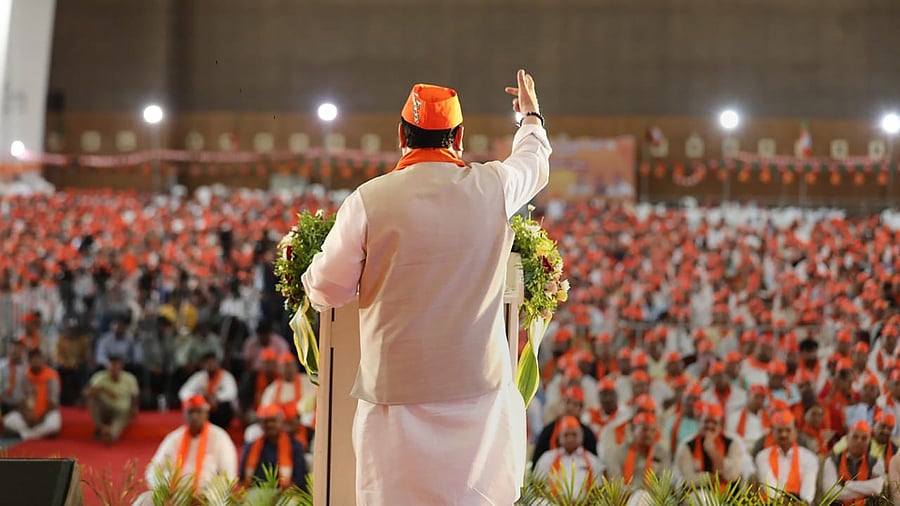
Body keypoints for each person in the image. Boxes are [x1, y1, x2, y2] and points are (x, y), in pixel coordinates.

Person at [301, 70, 550, 504]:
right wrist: (530, 114)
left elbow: (326, 290)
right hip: (477, 397)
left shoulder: (368, 199)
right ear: (459, 136)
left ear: (401, 134)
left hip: (394, 403)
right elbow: (534, 163)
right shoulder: (493, 186)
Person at [140, 395, 237, 502]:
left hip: (207, 496)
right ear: (184, 414)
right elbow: (154, 468)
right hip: (174, 494)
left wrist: (209, 496)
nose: (194, 416)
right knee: (143, 500)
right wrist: (162, 490)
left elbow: (228, 474)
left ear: (206, 414)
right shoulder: (174, 438)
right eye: (190, 412)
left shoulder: (220, 437)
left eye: (198, 412)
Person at [674, 403, 745, 489]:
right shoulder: (687, 445)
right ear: (699, 422)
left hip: (726, 495)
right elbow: (687, 479)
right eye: (706, 421)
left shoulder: (732, 443)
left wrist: (711, 449)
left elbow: (733, 475)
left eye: (714, 422)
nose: (710, 426)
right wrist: (709, 478)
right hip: (696, 495)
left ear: (720, 425)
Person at [755, 410, 818, 505]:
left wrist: (803, 502)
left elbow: (808, 488)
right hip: (773, 503)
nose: (783, 434)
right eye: (779, 430)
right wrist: (782, 502)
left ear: (796, 432)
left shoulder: (809, 457)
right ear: (772, 432)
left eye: (788, 430)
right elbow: (768, 485)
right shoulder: (762, 456)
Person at [239, 404, 307, 490]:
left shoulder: (295, 446)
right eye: (266, 421)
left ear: (281, 421)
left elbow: (300, 480)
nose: (270, 425)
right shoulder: (251, 446)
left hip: (286, 494)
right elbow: (242, 478)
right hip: (256, 493)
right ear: (260, 424)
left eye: (273, 420)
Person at [821, 421, 885, 504]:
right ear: (847, 438)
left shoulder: (877, 462)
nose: (859, 441)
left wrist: (847, 485)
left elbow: (877, 488)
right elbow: (831, 492)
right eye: (855, 437)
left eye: (864, 438)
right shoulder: (831, 461)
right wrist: (867, 489)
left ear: (869, 441)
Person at [2, 349, 61, 440]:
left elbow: (53, 402)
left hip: (45, 413)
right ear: (28, 361)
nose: (36, 361)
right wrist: (27, 416)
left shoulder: (52, 375)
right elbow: (19, 400)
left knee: (54, 425)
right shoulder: (23, 375)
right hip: (27, 414)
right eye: (33, 359)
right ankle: (37, 433)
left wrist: (40, 419)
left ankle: (26, 435)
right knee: (8, 420)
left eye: (38, 359)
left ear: (43, 360)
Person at [533, 416, 600, 494]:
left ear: (581, 437)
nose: (570, 438)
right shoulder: (547, 458)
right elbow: (537, 487)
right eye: (566, 435)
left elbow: (597, 490)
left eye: (574, 434)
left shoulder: (592, 461)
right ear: (559, 437)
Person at [533, 387, 598, 467]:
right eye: (567, 402)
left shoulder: (588, 434)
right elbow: (536, 463)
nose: (569, 407)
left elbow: (594, 464)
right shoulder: (547, 431)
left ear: (581, 409)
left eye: (575, 404)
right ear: (560, 404)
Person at [84, 354, 138, 445]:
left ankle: (109, 434)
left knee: (114, 433)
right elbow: (86, 393)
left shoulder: (129, 378)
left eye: (116, 366)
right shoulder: (99, 377)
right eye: (112, 365)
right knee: (92, 399)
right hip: (105, 409)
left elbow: (135, 396)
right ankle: (100, 428)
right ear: (107, 366)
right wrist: (103, 389)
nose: (114, 369)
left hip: (122, 411)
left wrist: (134, 408)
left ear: (121, 366)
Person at [178, 352, 238, 429]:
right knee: (191, 405)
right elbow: (183, 392)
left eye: (213, 362)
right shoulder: (199, 376)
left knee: (225, 404)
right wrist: (200, 398)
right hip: (204, 406)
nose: (211, 365)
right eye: (208, 363)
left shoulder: (226, 376)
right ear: (203, 365)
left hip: (219, 408)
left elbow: (232, 393)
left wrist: (215, 397)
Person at [0, 338, 27, 413]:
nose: (14, 351)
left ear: (22, 351)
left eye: (18, 349)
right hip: (3, 404)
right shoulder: (1, 366)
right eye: (12, 349)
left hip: (21, 407)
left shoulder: (27, 369)